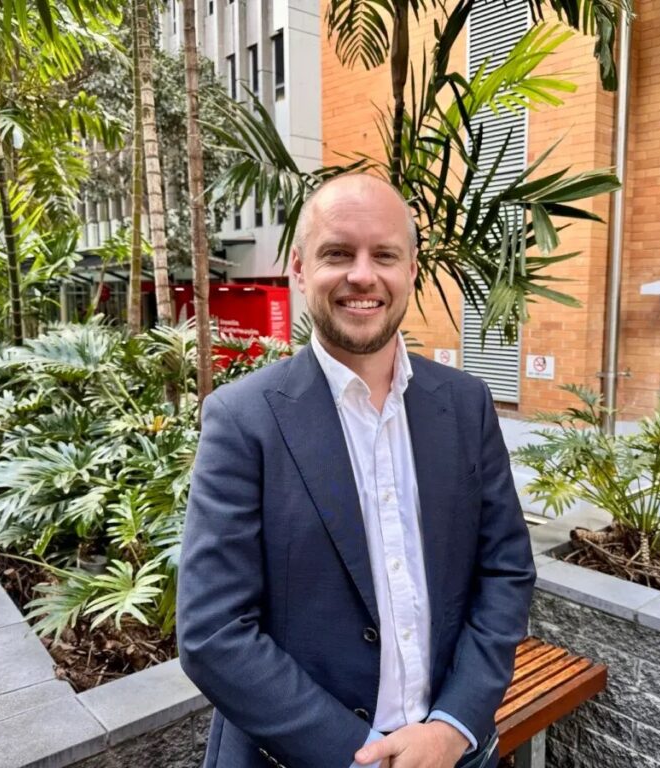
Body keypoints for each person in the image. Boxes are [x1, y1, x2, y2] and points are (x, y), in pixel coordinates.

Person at [177, 174, 536, 768]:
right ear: (299, 268)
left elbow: (505, 571)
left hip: (455, 750)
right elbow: (213, 632)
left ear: (411, 269)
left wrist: (453, 726)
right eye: (338, 253)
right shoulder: (242, 420)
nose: (363, 276)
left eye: (385, 255)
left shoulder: (465, 404)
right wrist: (361, 758)